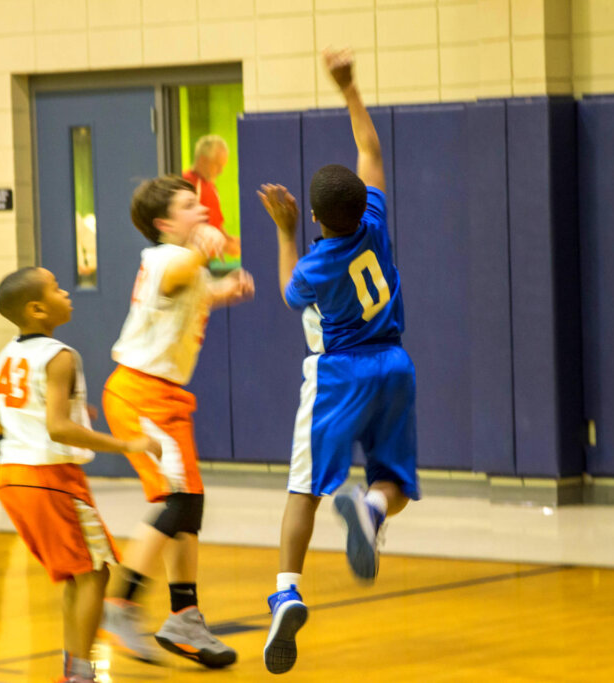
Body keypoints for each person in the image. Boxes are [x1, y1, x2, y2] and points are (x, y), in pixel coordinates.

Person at [257, 48, 420, 675]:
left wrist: (284, 231)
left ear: (320, 218)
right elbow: (370, 150)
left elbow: (285, 291)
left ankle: (287, 589)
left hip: (338, 374)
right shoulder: (374, 220)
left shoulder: (315, 265)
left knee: (304, 488)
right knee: (395, 482)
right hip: (394, 364)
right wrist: (350, 89)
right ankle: (372, 510)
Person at [0, 267, 160, 683]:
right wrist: (126, 444)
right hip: (48, 476)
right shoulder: (59, 355)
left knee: (81, 576)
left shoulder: (8, 354)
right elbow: (58, 428)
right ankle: (80, 673)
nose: (67, 293)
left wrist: (64, 415)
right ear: (38, 309)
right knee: (95, 572)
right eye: (58, 289)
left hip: (11, 477)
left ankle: (73, 669)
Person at [98, 175, 254, 669]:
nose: (202, 211)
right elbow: (174, 278)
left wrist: (223, 291)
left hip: (164, 396)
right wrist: (206, 257)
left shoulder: (187, 265)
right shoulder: (166, 258)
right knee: (176, 500)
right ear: (165, 223)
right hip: (140, 393)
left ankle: (184, 615)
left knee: (189, 506)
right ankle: (120, 605)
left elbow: (190, 294)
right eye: (191, 206)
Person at [183, 134, 241, 258]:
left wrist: (229, 239)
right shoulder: (186, 183)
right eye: (217, 165)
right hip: (190, 259)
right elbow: (187, 228)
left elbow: (216, 224)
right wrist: (225, 244)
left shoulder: (211, 187)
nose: (220, 171)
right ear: (203, 160)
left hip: (206, 260)